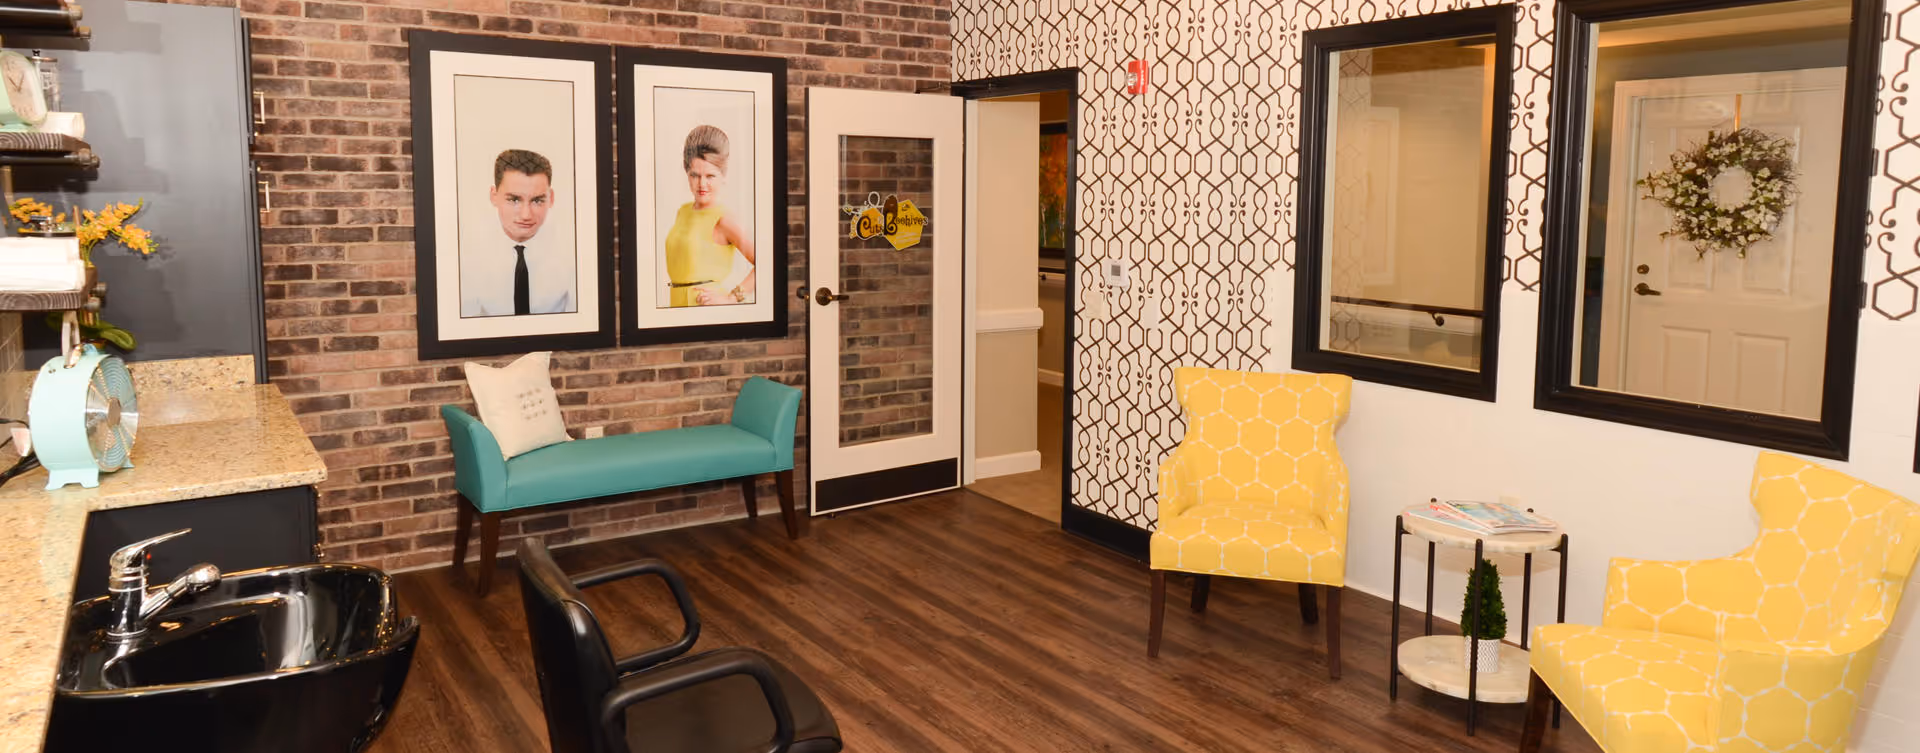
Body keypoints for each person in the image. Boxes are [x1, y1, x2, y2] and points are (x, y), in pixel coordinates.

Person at [460, 148, 576, 317]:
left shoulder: (574, 252)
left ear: (551, 198)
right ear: (494, 196)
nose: (526, 215)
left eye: (537, 200)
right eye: (514, 200)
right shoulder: (465, 255)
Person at [663, 125, 754, 307]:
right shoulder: (683, 211)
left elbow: (768, 264)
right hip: (675, 308)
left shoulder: (724, 219)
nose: (702, 184)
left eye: (710, 176)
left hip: (705, 310)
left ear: (723, 176)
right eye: (694, 175)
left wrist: (731, 298)